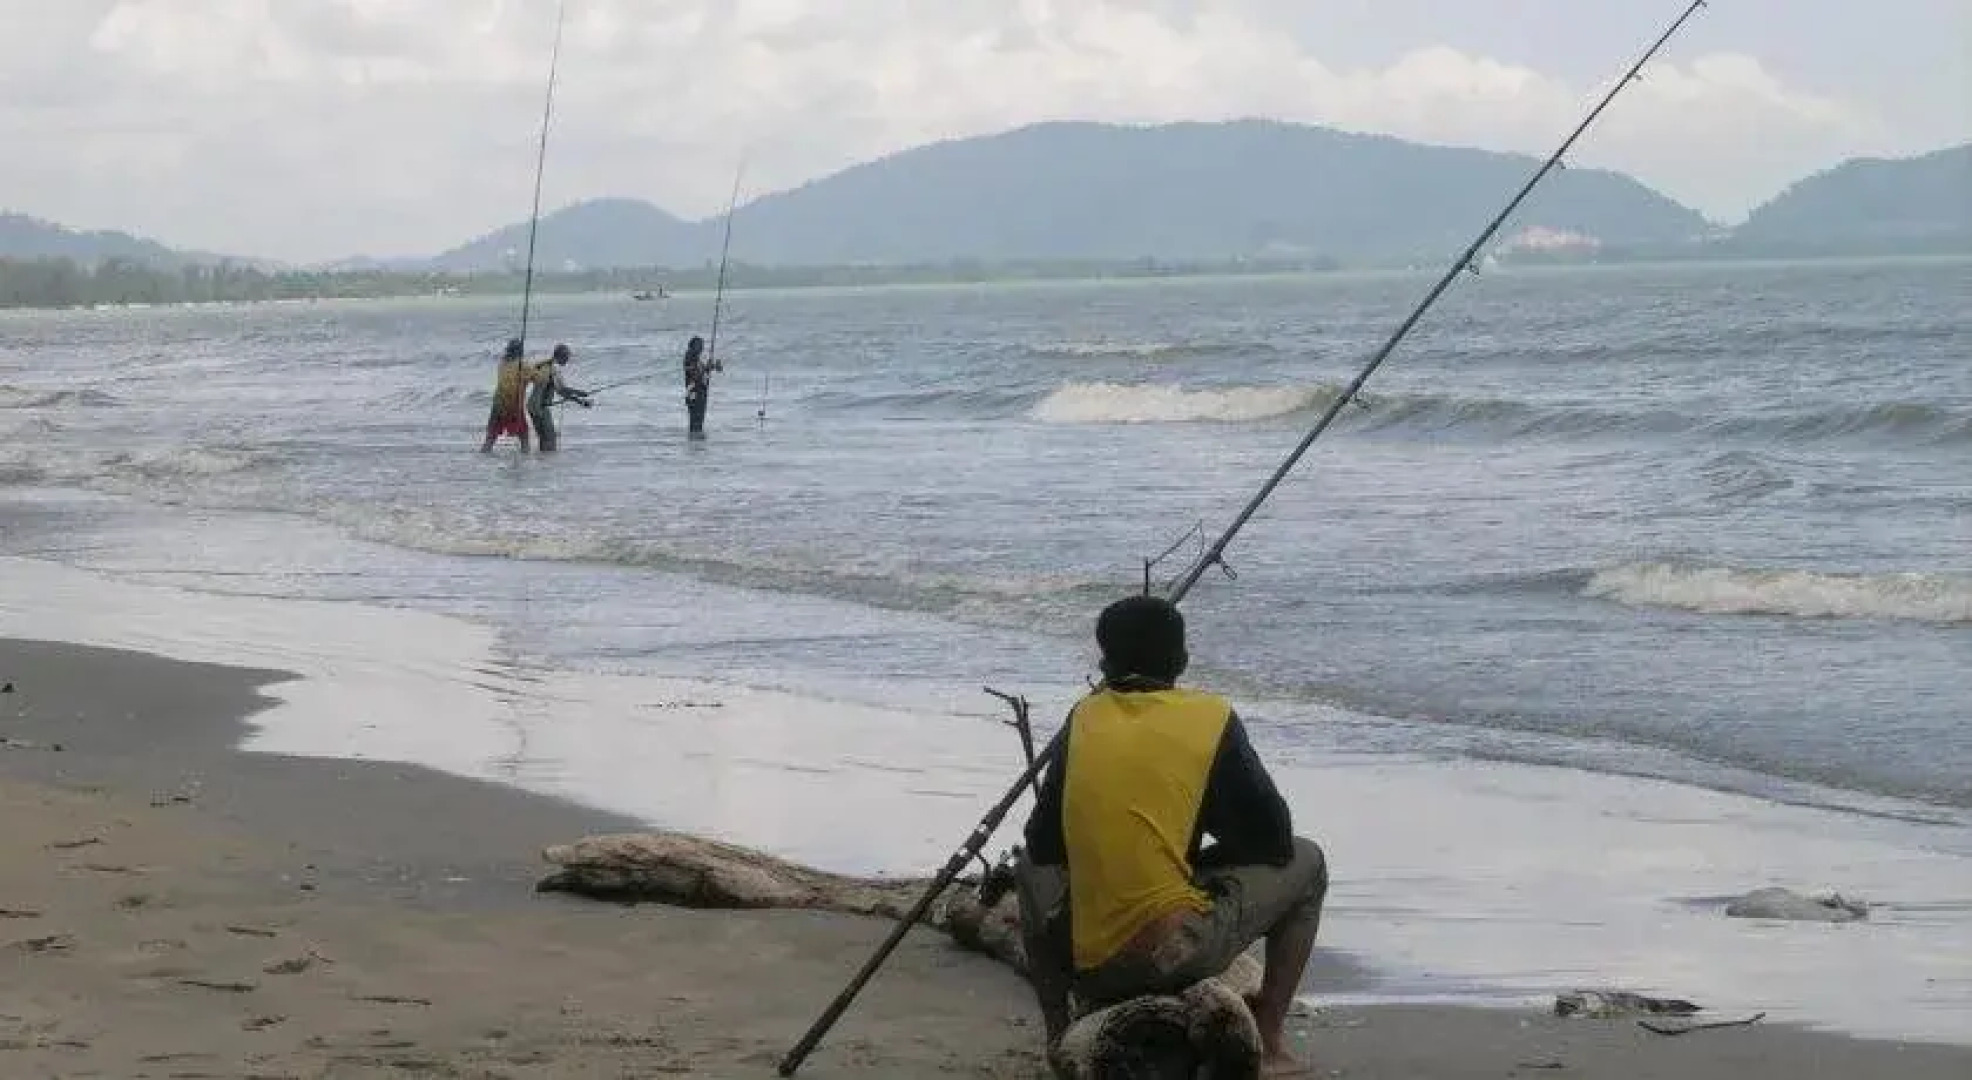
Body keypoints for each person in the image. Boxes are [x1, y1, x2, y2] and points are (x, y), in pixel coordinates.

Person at [1018, 595, 1327, 1078]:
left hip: (1085, 957)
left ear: (1104, 663)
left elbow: (1044, 846)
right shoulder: (1210, 717)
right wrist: (1204, 858)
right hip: (1172, 953)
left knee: (1026, 865)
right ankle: (1268, 1036)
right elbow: (1275, 840)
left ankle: (1058, 1030)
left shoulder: (1083, 717)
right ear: (1182, 661)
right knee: (1310, 862)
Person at [526, 343, 591, 452]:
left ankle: (543, 461)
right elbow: (562, 390)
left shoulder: (545, 365)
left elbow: (560, 390)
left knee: (544, 437)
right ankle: (548, 463)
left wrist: (580, 400)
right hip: (541, 408)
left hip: (532, 406)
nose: (567, 360)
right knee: (550, 438)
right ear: (560, 356)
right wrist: (580, 394)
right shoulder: (553, 369)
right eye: (566, 357)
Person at [481, 338, 531, 453]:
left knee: (491, 436)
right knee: (524, 435)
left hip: (498, 403)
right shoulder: (523, 366)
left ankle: (483, 456)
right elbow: (537, 378)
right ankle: (525, 458)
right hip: (513, 404)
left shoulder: (502, 363)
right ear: (520, 352)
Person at [681, 335, 721, 436]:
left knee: (699, 421)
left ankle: (696, 443)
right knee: (695, 419)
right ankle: (694, 440)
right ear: (693, 346)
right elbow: (695, 374)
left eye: (702, 345)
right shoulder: (689, 357)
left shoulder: (698, 360)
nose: (702, 348)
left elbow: (704, 371)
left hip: (701, 392)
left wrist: (714, 366)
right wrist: (707, 367)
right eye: (699, 345)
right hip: (694, 393)